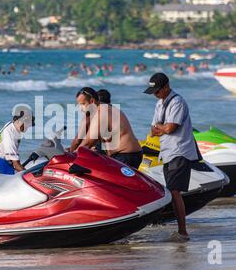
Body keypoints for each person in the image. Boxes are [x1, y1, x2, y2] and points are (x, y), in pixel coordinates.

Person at [144, 72, 200, 241]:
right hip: (166, 152)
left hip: (180, 151)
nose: (155, 95)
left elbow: (170, 129)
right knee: (172, 191)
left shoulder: (177, 102)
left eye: (157, 91)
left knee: (175, 192)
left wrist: (161, 128)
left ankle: (183, 232)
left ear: (166, 87)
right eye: (153, 92)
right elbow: (153, 130)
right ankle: (181, 230)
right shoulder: (160, 104)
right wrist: (162, 127)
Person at [73, 87, 142, 168]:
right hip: (131, 154)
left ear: (92, 101)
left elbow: (87, 143)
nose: (81, 108)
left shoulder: (100, 113)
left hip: (125, 156)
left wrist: (71, 156)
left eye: (83, 104)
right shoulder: (107, 108)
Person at [0, 105, 35, 174]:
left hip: (1, 160)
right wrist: (30, 176)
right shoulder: (10, 136)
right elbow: (16, 165)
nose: (28, 126)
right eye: (26, 123)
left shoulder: (13, 126)